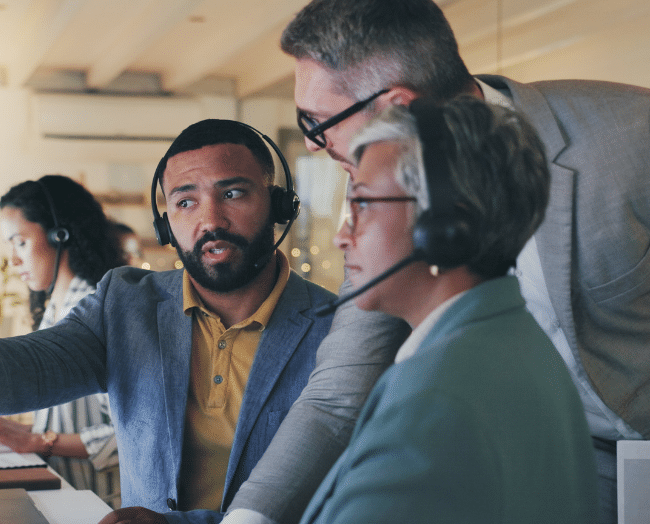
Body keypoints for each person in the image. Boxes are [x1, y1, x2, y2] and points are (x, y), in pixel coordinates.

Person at [226, 1, 650, 523]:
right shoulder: (388, 204)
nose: (316, 146)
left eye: (316, 123)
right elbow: (339, 393)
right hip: (552, 465)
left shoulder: (632, 142)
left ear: (395, 107)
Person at [0, 119, 335, 524]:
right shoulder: (126, 303)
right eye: (186, 201)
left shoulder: (336, 329)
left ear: (280, 204)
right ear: (166, 224)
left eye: (233, 194)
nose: (210, 221)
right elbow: (38, 362)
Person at [300, 95, 597, 523]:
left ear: (442, 228)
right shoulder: (520, 342)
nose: (342, 237)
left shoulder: (430, 403)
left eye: (361, 205)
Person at [0, 175, 125, 496]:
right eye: (10, 246)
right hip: (61, 492)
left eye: (21, 242)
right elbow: (77, 423)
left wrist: (37, 441)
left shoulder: (97, 312)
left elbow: (130, 435)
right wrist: (19, 430)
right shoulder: (53, 311)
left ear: (60, 235)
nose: (14, 260)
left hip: (98, 504)